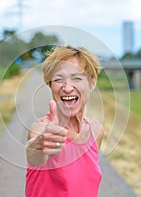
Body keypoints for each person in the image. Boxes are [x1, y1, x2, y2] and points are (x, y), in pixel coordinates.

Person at [25, 45, 104, 197]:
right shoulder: (41, 129)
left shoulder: (96, 131)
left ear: (92, 82)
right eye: (59, 79)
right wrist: (40, 144)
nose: (67, 88)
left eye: (77, 78)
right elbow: (34, 154)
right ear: (50, 85)